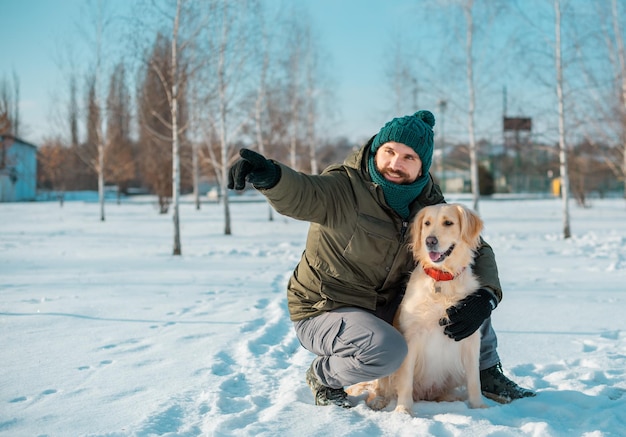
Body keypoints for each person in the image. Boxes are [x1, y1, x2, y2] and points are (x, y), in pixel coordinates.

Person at [227, 110, 535, 408]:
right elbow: (304, 193)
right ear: (376, 149)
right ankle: (324, 376)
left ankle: (486, 371)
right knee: (387, 351)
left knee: (466, 287)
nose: (395, 163)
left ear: (422, 167)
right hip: (326, 307)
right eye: (389, 151)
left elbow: (476, 249)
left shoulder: (428, 204)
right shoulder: (343, 187)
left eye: (408, 157)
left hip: (384, 307)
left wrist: (487, 297)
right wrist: (271, 176)